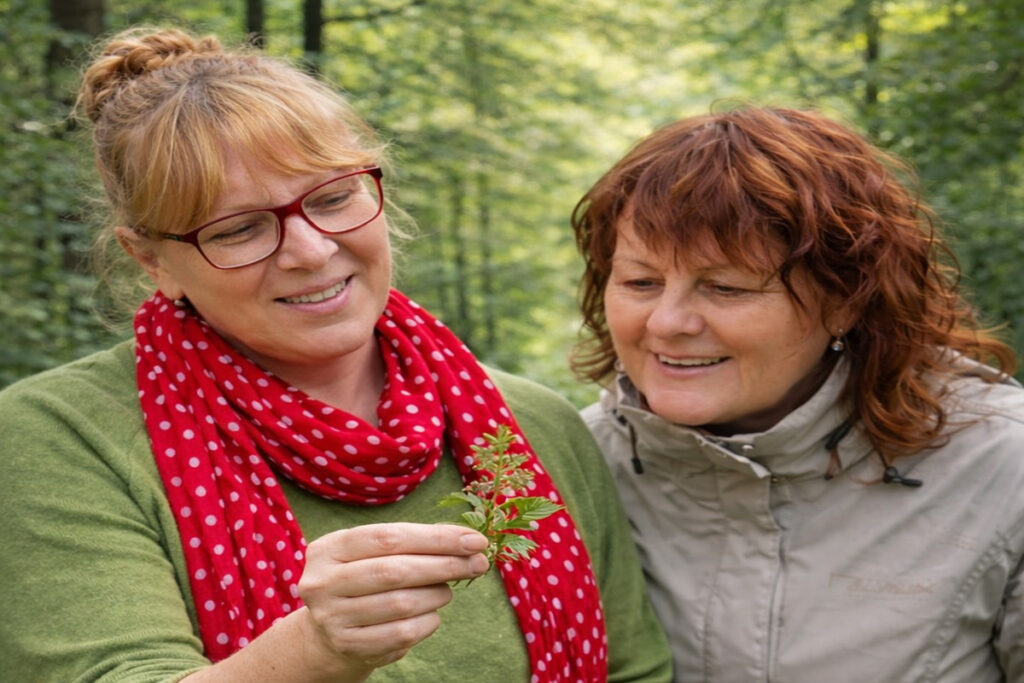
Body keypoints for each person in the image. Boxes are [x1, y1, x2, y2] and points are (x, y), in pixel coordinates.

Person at [0, 27, 672, 682]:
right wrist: (311, 653)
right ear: (150, 259)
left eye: (333, 197)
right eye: (238, 229)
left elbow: (633, 668)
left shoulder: (527, 424)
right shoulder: (61, 437)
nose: (312, 249)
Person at [570, 105, 1024, 682]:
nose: (667, 322)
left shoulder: (1003, 467)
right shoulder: (573, 467)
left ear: (846, 299)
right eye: (641, 282)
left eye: (726, 287)